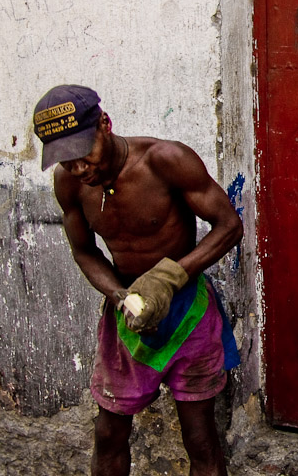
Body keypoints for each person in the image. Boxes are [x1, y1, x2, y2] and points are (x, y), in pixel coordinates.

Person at [33, 85, 243, 476]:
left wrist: (170, 277)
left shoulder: (165, 160)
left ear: (105, 125)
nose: (80, 168)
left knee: (199, 436)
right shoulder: (70, 184)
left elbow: (229, 226)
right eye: (66, 161)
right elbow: (84, 251)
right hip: (126, 315)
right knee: (109, 433)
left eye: (84, 154)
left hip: (188, 312)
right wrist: (117, 294)